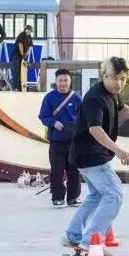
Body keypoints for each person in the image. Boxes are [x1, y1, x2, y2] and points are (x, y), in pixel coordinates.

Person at [61, 57, 129, 251]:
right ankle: (90, 241)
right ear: (104, 76)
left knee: (97, 195)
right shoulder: (95, 98)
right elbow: (95, 129)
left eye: (123, 79)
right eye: (115, 78)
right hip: (91, 154)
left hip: (85, 155)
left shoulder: (112, 93)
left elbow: (124, 108)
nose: (119, 83)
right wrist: (118, 150)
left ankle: (72, 235)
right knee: (114, 195)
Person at [38, 69, 82, 208]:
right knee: (57, 171)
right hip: (56, 142)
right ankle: (57, 197)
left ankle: (73, 197)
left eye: (66, 80)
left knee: (74, 171)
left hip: (73, 142)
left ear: (70, 81)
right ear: (56, 81)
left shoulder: (77, 98)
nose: (63, 83)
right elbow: (43, 116)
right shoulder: (49, 98)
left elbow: (83, 117)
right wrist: (53, 122)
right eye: (60, 80)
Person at [10, 25, 34, 92]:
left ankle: (21, 88)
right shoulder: (21, 35)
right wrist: (22, 55)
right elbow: (20, 45)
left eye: (30, 31)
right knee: (16, 72)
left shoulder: (29, 37)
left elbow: (30, 47)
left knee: (22, 72)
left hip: (23, 56)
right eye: (28, 30)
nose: (29, 32)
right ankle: (14, 88)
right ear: (25, 29)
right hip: (17, 56)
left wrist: (25, 55)